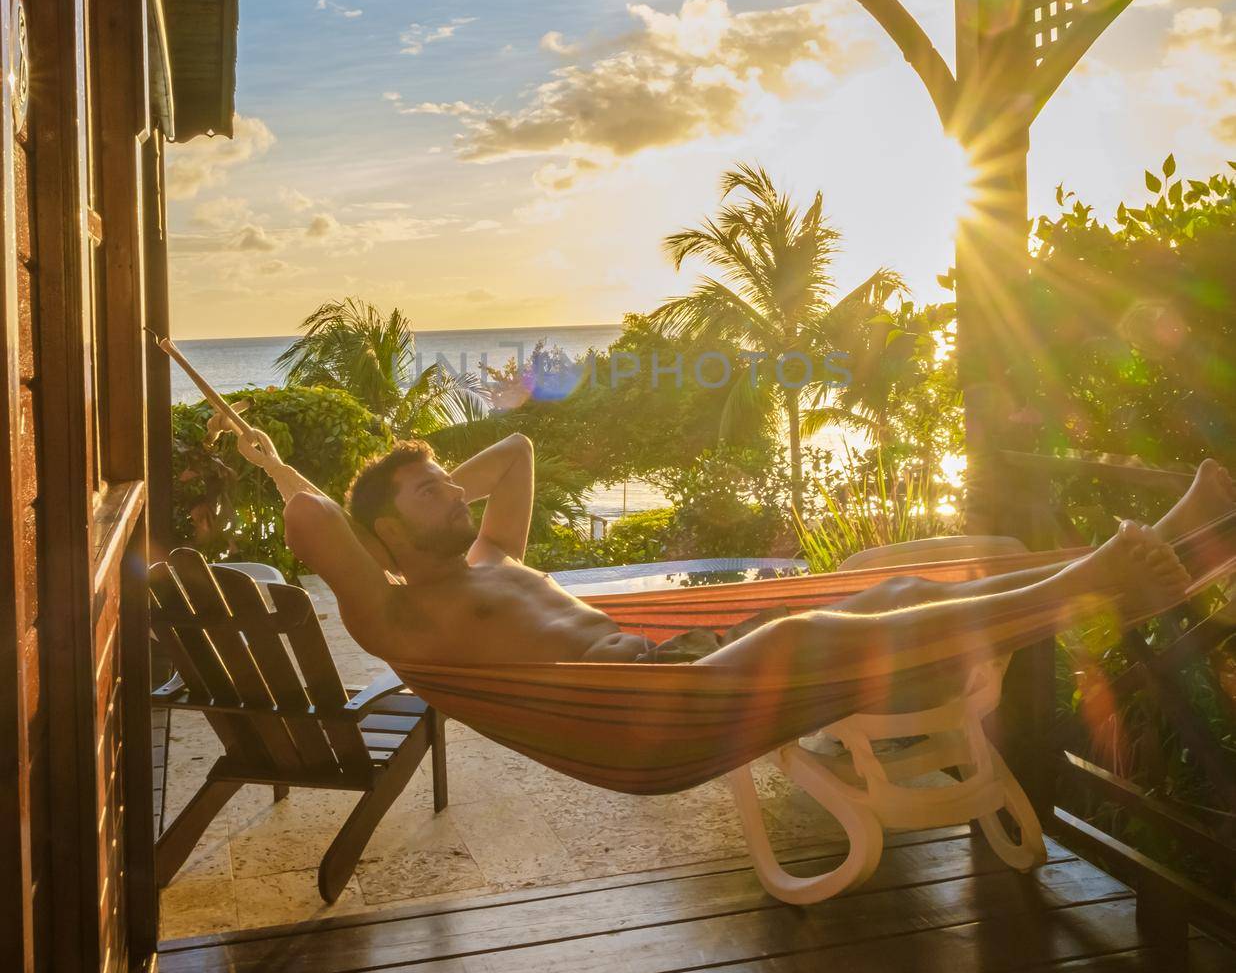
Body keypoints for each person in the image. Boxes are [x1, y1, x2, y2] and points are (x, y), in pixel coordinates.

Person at [226, 424, 1224, 684]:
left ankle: (1181, 541)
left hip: (688, 655)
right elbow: (318, 525)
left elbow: (519, 454)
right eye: (430, 490)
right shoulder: (403, 611)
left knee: (942, 558)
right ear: (389, 537)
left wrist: (425, 470)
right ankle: (1102, 585)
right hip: (657, 689)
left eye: (453, 480)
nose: (458, 489)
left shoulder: (496, 558)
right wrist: (279, 467)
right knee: (891, 599)